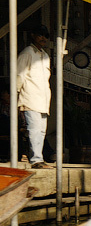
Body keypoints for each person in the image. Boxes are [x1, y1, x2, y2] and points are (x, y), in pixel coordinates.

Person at [17, 24, 52, 168]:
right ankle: (36, 159)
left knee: (41, 130)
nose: (43, 38)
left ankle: (39, 158)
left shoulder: (45, 56)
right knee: (34, 129)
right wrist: (15, 94)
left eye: (45, 36)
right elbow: (19, 75)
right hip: (30, 97)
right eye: (40, 35)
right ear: (33, 35)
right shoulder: (27, 53)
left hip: (43, 100)